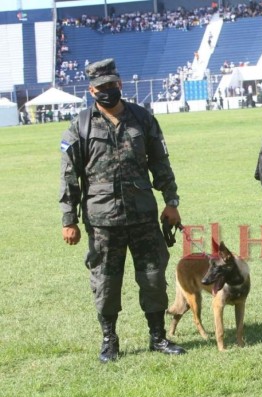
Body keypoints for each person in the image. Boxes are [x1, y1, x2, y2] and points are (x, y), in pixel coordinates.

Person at [59, 58, 186, 363]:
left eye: (112, 85)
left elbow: (160, 163)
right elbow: (69, 176)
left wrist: (171, 201)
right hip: (102, 221)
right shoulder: (80, 126)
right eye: (101, 87)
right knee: (105, 282)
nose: (108, 91)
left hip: (143, 215)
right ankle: (109, 340)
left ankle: (158, 337)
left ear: (120, 84)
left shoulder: (142, 119)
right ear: (91, 90)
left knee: (153, 277)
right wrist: (69, 219)